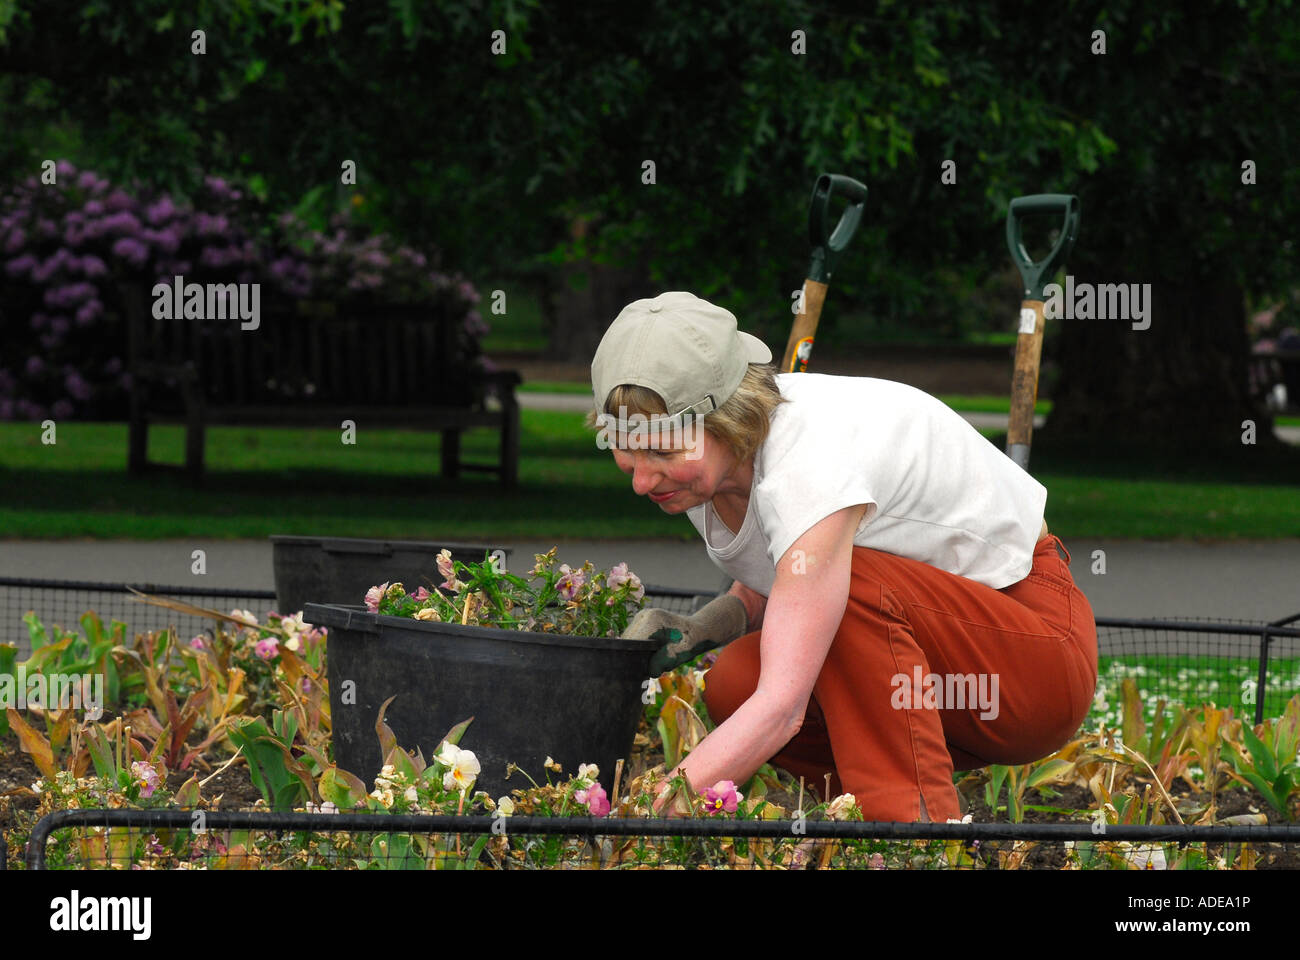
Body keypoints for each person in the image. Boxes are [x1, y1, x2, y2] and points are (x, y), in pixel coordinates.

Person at [590, 291, 1099, 822]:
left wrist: (649, 814)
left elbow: (784, 706)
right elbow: (785, 576)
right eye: (627, 450)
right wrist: (704, 627)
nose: (642, 479)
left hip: (1035, 661)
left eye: (663, 452)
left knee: (842, 597)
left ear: (729, 418)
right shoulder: (704, 472)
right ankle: (863, 805)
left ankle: (913, 835)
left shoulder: (809, 463)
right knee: (736, 681)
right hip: (944, 670)